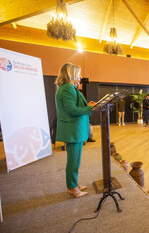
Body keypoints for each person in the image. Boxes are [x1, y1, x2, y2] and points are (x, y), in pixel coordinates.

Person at [55, 63, 95, 198]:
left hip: (74, 129)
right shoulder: (67, 89)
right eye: (78, 74)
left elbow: (74, 106)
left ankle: (74, 183)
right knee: (73, 160)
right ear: (71, 74)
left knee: (75, 159)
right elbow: (72, 110)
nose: (80, 76)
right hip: (73, 130)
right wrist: (89, 108)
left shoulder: (69, 88)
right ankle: (72, 187)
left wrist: (87, 106)